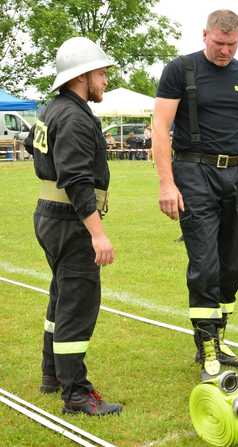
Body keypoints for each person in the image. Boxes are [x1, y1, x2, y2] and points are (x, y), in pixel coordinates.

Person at [153, 9, 238, 382]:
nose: (225, 51)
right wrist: (166, 183)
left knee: (233, 264)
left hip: (236, 172)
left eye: (231, 44)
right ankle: (206, 346)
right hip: (193, 172)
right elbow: (160, 125)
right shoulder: (180, 71)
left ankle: (220, 336)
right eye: (218, 43)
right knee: (206, 263)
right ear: (204, 35)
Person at [24, 37, 122, 416]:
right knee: (78, 305)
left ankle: (52, 375)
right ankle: (76, 393)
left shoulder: (52, 110)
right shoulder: (76, 117)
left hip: (49, 215)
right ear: (82, 76)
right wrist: (97, 233)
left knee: (60, 298)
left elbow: (35, 148)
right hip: (70, 221)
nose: (105, 80)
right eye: (101, 73)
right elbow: (78, 179)